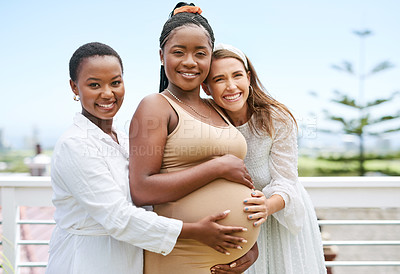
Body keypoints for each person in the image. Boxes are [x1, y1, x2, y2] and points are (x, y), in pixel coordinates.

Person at [46, 42, 250, 274]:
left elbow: (154, 200)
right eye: (94, 85)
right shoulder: (75, 145)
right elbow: (117, 217)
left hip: (133, 258)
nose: (107, 93)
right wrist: (195, 231)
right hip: (89, 260)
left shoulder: (121, 140)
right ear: (74, 87)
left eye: (115, 83)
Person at [129, 3, 266, 274]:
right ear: (161, 55)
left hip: (225, 261)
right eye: (178, 52)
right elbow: (142, 189)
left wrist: (250, 245)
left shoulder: (217, 107)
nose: (190, 62)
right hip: (181, 257)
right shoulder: (156, 106)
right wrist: (217, 166)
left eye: (200, 53)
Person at [203, 43, 327, 274]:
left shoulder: (277, 119)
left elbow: (286, 181)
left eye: (237, 75)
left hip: (277, 214)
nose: (231, 86)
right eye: (219, 79)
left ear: (249, 77)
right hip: (237, 219)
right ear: (207, 88)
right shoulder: (203, 118)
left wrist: (266, 207)